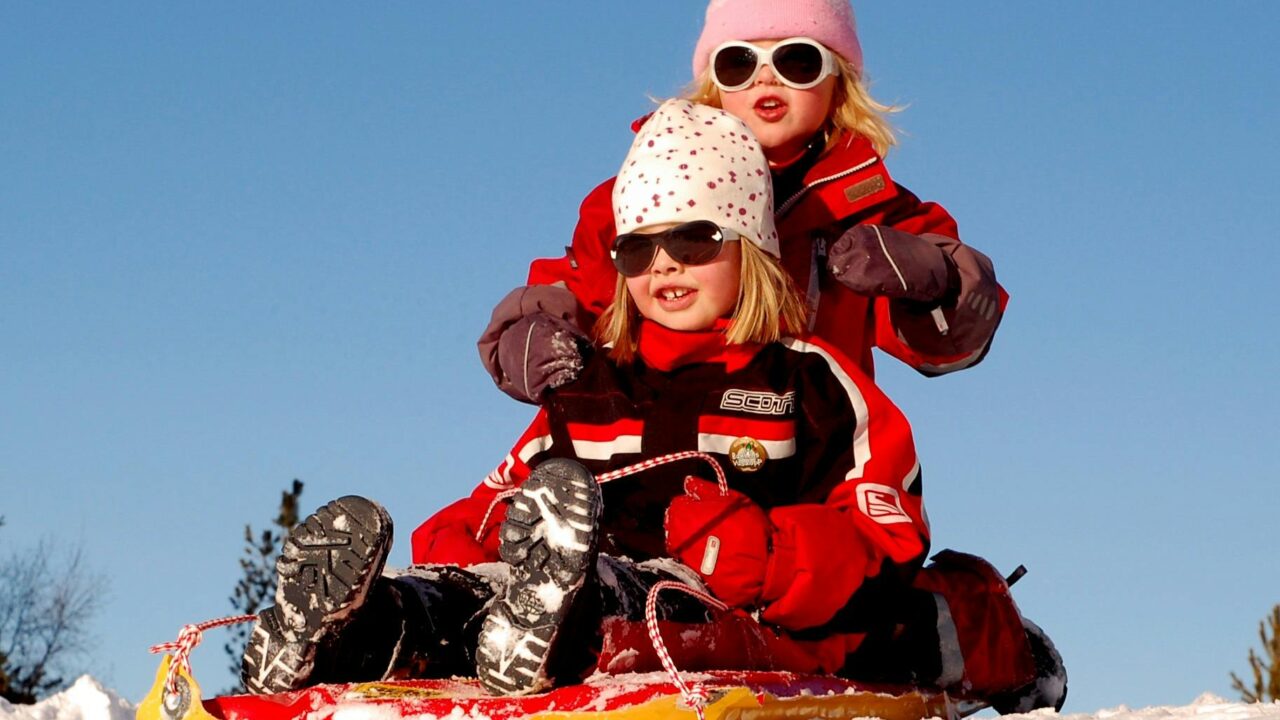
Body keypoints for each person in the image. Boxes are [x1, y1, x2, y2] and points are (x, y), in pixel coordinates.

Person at [241, 101, 1063, 713]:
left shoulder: (810, 382)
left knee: (629, 604)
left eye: (696, 239)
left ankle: (547, 618)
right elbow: (491, 499)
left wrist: (766, 553)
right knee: (466, 597)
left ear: (751, 251)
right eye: (639, 247)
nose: (665, 263)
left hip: (714, 606)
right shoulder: (593, 386)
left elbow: (885, 543)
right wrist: (471, 542)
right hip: (552, 586)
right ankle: (359, 628)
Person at [480, 0, 1007, 406]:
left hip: (810, 441)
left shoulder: (871, 209)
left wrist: (933, 280)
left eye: (798, 59)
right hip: (663, 427)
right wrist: (532, 332)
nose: (766, 76)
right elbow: (583, 284)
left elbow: (952, 344)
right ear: (714, 83)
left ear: (838, 80)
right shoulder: (650, 189)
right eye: (738, 62)